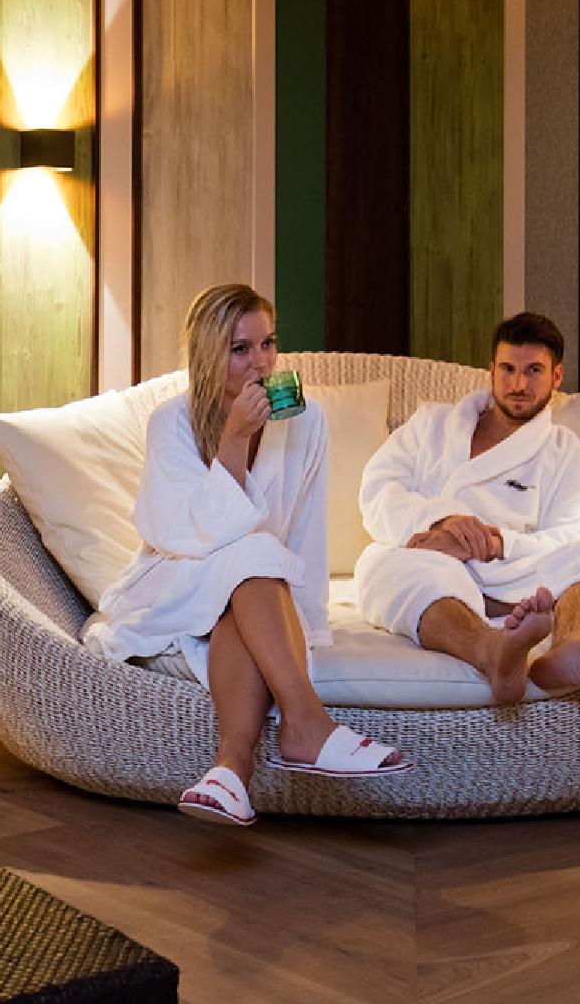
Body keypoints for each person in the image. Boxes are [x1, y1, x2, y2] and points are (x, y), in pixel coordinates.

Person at [84, 283, 410, 827]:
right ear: (208, 355)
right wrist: (234, 439)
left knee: (255, 566)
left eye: (268, 343)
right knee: (254, 552)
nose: (261, 362)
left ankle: (230, 774)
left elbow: (304, 532)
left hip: (257, 588)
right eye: (241, 349)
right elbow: (185, 535)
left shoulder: (306, 419)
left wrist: (303, 618)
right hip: (178, 576)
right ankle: (306, 724)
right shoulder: (172, 422)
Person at [353, 312, 580, 705]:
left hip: (514, 578)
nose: (518, 384)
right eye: (508, 369)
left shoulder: (565, 452)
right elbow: (377, 489)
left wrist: (498, 543)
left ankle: (570, 648)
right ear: (491, 370)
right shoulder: (433, 424)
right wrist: (443, 520)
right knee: (382, 564)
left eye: (533, 371)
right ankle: (491, 651)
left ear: (557, 376)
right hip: (430, 563)